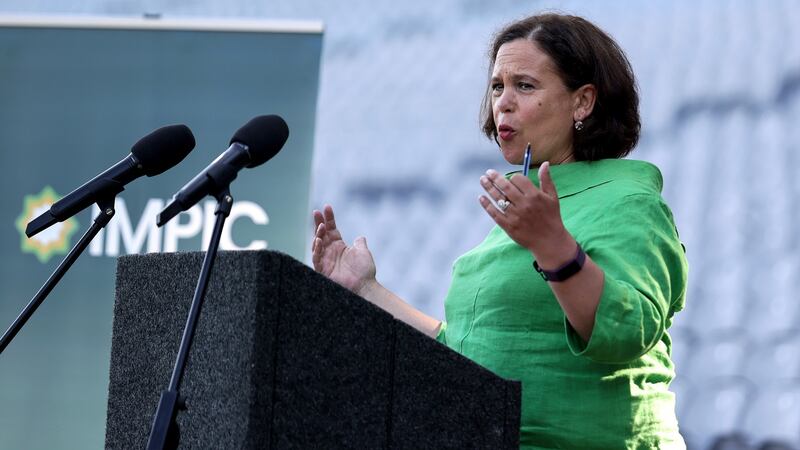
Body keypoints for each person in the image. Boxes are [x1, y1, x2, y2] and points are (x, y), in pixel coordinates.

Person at [312, 13, 688, 449]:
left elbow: (627, 329)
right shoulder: (521, 212)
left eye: (524, 86)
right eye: (497, 86)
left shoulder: (627, 200)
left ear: (582, 102)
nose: (503, 103)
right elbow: (466, 354)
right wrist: (364, 289)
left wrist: (553, 246)